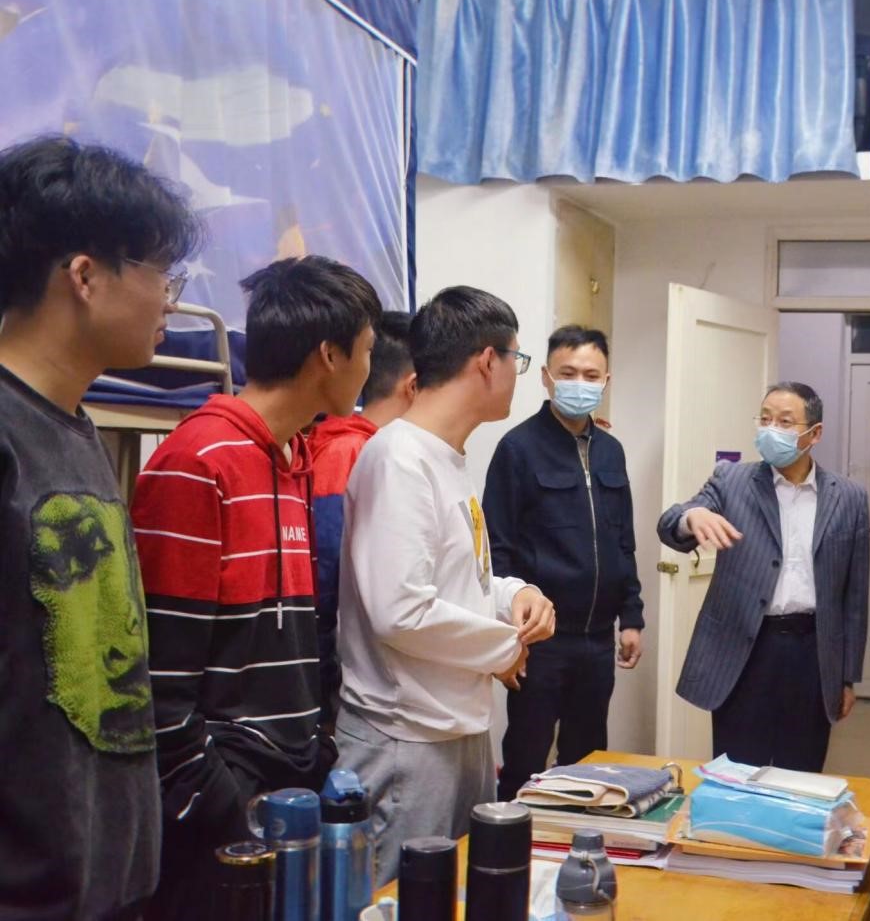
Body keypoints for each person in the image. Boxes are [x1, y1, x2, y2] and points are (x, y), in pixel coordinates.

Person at [131, 255, 381, 921]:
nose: (369, 368)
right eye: (365, 351)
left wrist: (317, 747)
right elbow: (158, 680)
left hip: (291, 784)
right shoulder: (198, 461)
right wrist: (221, 801)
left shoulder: (294, 456)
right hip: (222, 808)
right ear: (329, 355)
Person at [0, 136, 201, 920]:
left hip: (108, 886)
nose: (170, 301)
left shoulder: (76, 431)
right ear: (85, 276)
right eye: (161, 274)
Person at [335, 285, 557, 884]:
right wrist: (506, 647)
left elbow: (461, 578)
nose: (516, 375)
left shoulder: (445, 457)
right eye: (517, 360)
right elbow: (400, 611)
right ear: (488, 361)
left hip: (457, 726)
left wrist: (515, 596)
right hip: (406, 738)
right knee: (405, 902)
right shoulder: (398, 458)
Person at [656, 382, 870, 771]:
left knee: (800, 773)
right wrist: (691, 517)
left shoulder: (850, 497)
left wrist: (848, 677)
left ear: (814, 433)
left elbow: (855, 597)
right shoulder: (731, 481)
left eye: (785, 422)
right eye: (765, 419)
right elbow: (671, 523)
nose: (771, 429)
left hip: (813, 653)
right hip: (746, 649)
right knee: (737, 772)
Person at [483, 324, 644, 801]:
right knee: (526, 761)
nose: (579, 383)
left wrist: (632, 617)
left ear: (606, 380)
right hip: (541, 640)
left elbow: (623, 541)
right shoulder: (518, 448)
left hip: (597, 641)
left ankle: (580, 843)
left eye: (591, 375)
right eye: (568, 373)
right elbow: (497, 548)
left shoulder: (611, 451)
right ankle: (516, 840)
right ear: (547, 377)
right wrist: (506, 635)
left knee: (588, 764)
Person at [309, 310, 417, 731]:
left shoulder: (372, 448)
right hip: (345, 688)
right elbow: (326, 584)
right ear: (414, 387)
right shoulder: (350, 453)